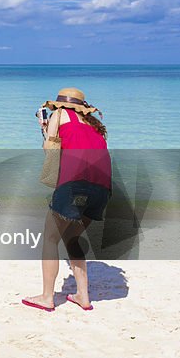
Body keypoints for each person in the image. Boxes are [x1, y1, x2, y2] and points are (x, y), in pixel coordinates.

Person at [22, 87, 111, 313]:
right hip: (102, 189)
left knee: (50, 239)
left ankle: (46, 297)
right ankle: (83, 296)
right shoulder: (94, 126)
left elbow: (51, 152)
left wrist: (45, 130)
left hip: (74, 183)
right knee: (72, 238)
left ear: (60, 105)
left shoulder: (59, 115)